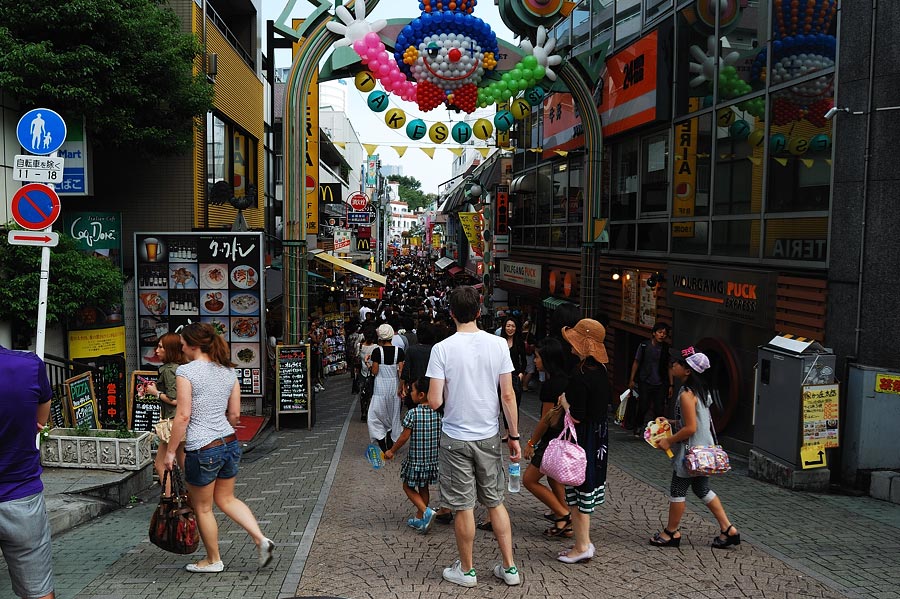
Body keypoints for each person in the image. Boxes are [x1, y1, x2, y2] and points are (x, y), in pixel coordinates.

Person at [427, 285, 522, 588]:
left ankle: (467, 571)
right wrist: (515, 436)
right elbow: (508, 395)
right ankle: (509, 568)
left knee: (462, 505)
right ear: (479, 312)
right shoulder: (498, 345)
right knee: (495, 501)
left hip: (455, 437)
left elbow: (434, 401)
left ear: (451, 313)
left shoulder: (442, 349)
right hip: (489, 436)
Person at [164, 323, 274, 573]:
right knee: (227, 498)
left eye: (182, 342)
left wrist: (171, 451)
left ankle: (213, 560)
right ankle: (261, 539)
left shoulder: (186, 372)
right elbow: (235, 415)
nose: (180, 346)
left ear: (193, 345)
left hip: (203, 446)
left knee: (203, 507)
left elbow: (182, 416)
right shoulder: (227, 371)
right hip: (229, 442)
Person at [650, 347, 741, 549]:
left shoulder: (686, 394)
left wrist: (669, 440)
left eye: (678, 363)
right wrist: (673, 421)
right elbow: (695, 420)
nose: (673, 365)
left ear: (688, 371)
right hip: (703, 451)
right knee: (701, 489)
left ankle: (671, 533)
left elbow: (691, 428)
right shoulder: (700, 391)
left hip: (690, 454)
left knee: (677, 489)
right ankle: (728, 529)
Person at [0, 345, 55, 599]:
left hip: (21, 491)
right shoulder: (29, 366)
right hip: (22, 495)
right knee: (38, 592)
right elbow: (40, 421)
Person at [557, 318, 611, 564]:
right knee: (586, 491)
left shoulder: (579, 375)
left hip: (583, 440)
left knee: (579, 493)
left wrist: (564, 402)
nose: (571, 345)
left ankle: (581, 546)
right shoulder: (602, 371)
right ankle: (584, 541)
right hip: (599, 437)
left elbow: (577, 415)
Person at [522, 337, 572, 538]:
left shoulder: (550, 386)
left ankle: (563, 514)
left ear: (548, 359)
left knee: (529, 480)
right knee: (552, 476)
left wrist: (531, 443)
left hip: (551, 442)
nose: (535, 361)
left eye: (537, 357)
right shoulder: (569, 380)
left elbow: (545, 421)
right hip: (565, 439)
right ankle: (564, 521)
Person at [384, 377, 441, 533]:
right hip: (431, 460)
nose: (410, 393)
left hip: (416, 460)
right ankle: (420, 518)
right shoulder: (438, 412)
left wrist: (391, 450)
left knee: (407, 486)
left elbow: (403, 437)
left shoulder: (413, 414)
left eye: (412, 391)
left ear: (421, 394)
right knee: (424, 487)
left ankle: (426, 511)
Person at [145, 333, 187, 496]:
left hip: (172, 421)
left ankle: (169, 499)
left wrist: (155, 392)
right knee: (183, 462)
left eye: (161, 347)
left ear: (170, 350)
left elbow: (174, 399)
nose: (157, 351)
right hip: (180, 420)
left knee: (161, 464)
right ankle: (193, 497)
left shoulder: (170, 370)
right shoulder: (180, 368)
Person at [628, 322, 673, 435]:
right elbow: (636, 362)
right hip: (645, 380)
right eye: (660, 332)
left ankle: (657, 431)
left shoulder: (666, 349)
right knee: (643, 405)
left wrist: (671, 385)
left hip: (660, 382)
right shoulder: (644, 346)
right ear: (654, 333)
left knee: (659, 408)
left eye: (664, 333)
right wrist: (631, 379)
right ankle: (638, 425)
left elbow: (669, 367)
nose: (662, 335)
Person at [368, 323, 405, 452]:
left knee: (375, 415)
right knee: (393, 415)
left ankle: (382, 441)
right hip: (394, 387)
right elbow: (401, 371)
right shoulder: (399, 351)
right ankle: (391, 437)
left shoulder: (377, 351)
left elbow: (375, 371)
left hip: (380, 387)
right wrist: (402, 387)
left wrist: (369, 365)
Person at [498, 316, 526, 442]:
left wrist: (521, 373)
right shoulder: (499, 342)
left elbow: (524, 360)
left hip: (515, 376)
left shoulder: (520, 342)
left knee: (515, 404)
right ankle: (507, 432)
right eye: (508, 326)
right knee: (504, 404)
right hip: (503, 377)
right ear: (504, 327)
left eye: (513, 326)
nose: (510, 328)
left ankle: (515, 430)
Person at [358, 326, 379, 421]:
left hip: (363, 373)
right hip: (373, 374)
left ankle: (363, 412)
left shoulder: (360, 346)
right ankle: (371, 412)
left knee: (363, 393)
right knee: (372, 393)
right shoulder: (376, 347)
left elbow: (356, 358)